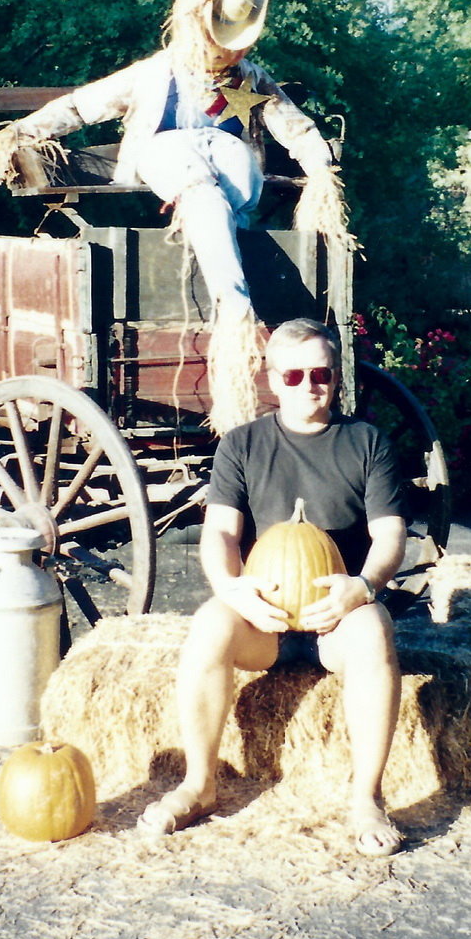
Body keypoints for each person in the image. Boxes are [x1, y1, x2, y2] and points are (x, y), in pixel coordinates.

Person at [0, 0, 352, 435]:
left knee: (230, 162)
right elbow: (82, 106)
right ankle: (234, 305)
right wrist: (18, 134)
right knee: (198, 183)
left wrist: (320, 168)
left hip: (228, 181)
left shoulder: (251, 80)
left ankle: (229, 244)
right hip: (169, 166)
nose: (234, 51)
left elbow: (293, 127)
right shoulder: (155, 73)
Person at [137, 316, 409, 857]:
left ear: (336, 376)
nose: (309, 384)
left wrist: (364, 585)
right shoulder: (242, 445)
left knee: (375, 629)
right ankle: (199, 783)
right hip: (265, 618)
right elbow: (219, 531)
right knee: (211, 623)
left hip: (336, 617)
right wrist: (231, 588)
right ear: (271, 377)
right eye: (294, 376)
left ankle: (365, 798)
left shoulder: (365, 442)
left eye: (321, 373)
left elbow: (390, 533)